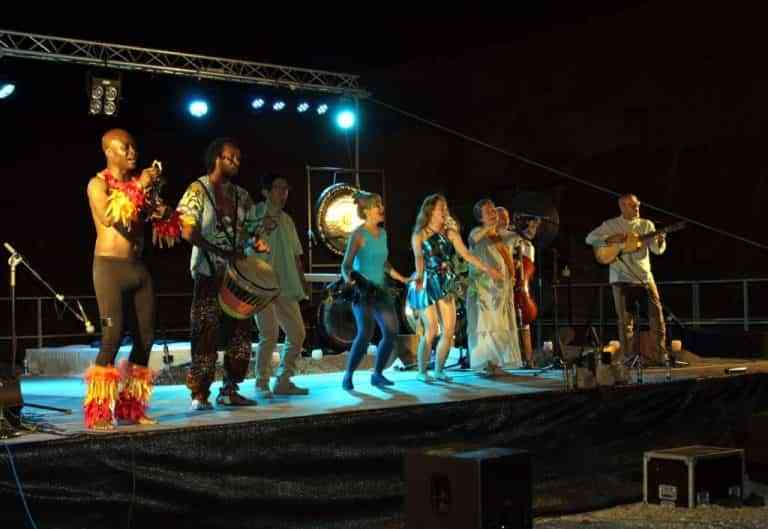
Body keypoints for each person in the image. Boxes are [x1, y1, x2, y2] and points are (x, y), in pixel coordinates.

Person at [85, 128, 179, 430]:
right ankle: (99, 411)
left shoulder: (141, 188)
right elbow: (109, 217)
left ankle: (131, 408)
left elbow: (160, 218)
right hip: (109, 269)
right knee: (111, 339)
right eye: (124, 147)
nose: (131, 152)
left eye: (133, 146)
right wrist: (140, 183)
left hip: (137, 268)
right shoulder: (97, 185)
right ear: (108, 152)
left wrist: (164, 212)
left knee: (146, 340)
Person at [177, 138, 269, 411]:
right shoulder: (198, 190)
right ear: (217, 157)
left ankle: (230, 389)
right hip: (208, 274)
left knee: (240, 334)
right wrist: (218, 251)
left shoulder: (242, 195)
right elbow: (187, 231)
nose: (236, 162)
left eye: (239, 158)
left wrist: (258, 241)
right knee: (206, 331)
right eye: (231, 157)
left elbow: (252, 230)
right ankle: (200, 393)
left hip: (237, 278)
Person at [407, 194, 503, 382]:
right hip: (426, 281)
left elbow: (466, 255)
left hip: (446, 282)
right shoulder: (419, 234)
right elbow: (419, 257)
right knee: (431, 329)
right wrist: (418, 275)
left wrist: (488, 269)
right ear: (430, 211)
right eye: (440, 208)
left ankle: (439, 370)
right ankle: (421, 371)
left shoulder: (450, 233)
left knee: (449, 330)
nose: (444, 210)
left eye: (445, 207)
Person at [585, 193, 668, 374]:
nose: (637, 208)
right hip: (620, 277)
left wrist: (660, 239)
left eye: (637, 205)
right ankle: (628, 357)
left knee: (657, 317)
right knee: (625, 321)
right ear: (622, 206)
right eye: (632, 206)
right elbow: (589, 239)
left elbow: (657, 250)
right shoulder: (611, 225)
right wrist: (610, 239)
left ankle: (660, 355)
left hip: (644, 277)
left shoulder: (647, 225)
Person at [340, 191, 409, 390]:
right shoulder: (359, 234)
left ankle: (377, 374)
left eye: (381, 204)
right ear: (367, 210)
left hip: (381, 291)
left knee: (391, 331)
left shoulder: (384, 234)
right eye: (377, 205)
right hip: (362, 291)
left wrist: (401, 277)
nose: (382, 208)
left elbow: (384, 263)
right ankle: (348, 375)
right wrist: (349, 280)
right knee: (365, 334)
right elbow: (346, 265)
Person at [252, 173, 310, 397]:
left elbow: (296, 255)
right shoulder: (255, 213)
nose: (283, 192)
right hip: (261, 284)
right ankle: (261, 383)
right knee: (269, 333)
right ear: (266, 191)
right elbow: (246, 240)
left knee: (297, 333)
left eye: (286, 188)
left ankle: (284, 380)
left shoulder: (287, 220)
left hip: (285, 284)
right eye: (278, 188)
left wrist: (302, 280)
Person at [466, 199, 522, 375]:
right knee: (487, 325)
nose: (493, 213)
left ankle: (497, 363)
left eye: (493, 210)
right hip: (485, 289)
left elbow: (516, 239)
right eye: (488, 211)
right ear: (480, 217)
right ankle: (488, 363)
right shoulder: (477, 231)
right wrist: (488, 228)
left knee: (500, 325)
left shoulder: (500, 235)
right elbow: (473, 239)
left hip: (500, 289)